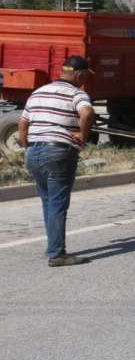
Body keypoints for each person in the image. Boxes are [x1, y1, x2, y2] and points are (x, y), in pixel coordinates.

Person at [17, 55, 96, 267]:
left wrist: (29, 147)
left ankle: (52, 246)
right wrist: (83, 135)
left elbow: (22, 124)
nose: (85, 79)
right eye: (86, 75)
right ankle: (57, 254)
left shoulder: (38, 92)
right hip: (59, 152)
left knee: (48, 201)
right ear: (79, 74)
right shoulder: (77, 93)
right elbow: (87, 113)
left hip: (34, 152)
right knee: (58, 203)